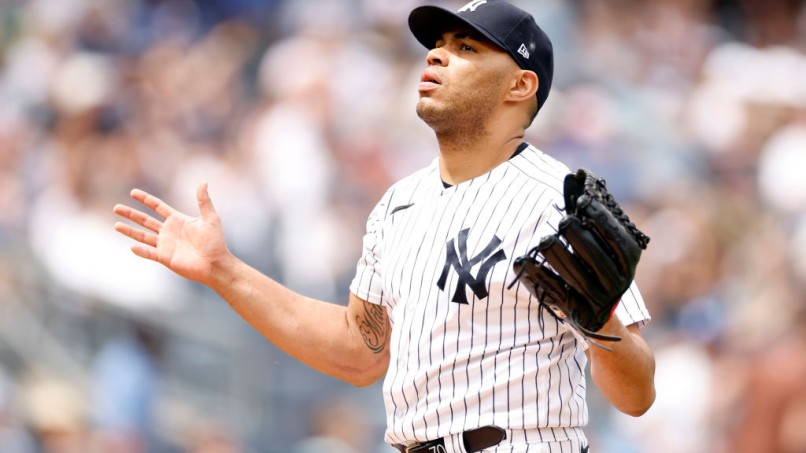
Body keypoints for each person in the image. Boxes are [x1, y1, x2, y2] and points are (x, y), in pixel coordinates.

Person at [113, 1, 656, 451]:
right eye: (437, 44)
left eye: (466, 48)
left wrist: (600, 323)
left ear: (519, 86)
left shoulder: (554, 199)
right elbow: (360, 352)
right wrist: (223, 271)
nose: (437, 56)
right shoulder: (399, 203)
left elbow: (637, 396)